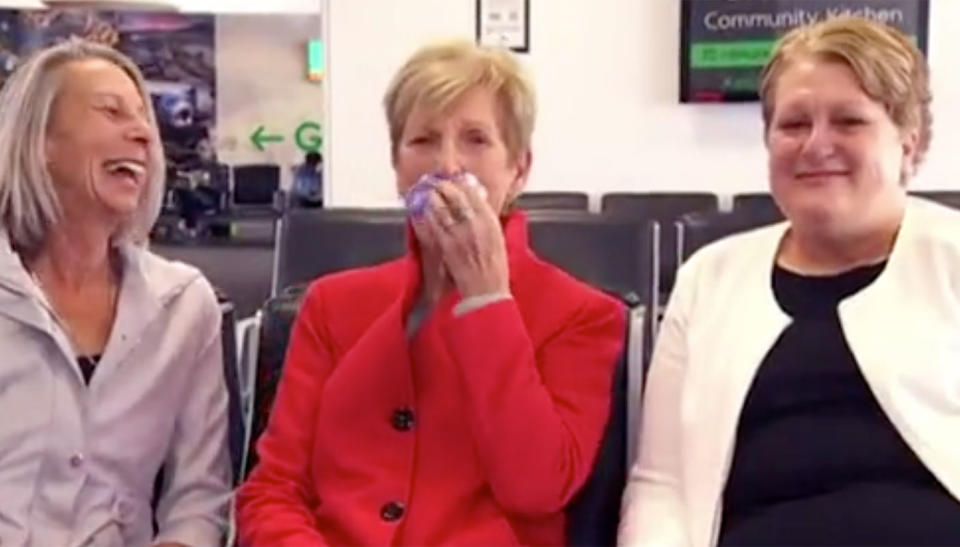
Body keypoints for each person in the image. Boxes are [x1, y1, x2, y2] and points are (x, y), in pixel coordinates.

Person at [236, 40, 625, 545]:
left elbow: (537, 488)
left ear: (519, 169)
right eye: (422, 140)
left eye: (476, 140)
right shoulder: (331, 306)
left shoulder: (583, 317)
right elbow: (272, 490)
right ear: (397, 165)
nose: (447, 165)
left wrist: (487, 300)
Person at [619, 16, 960, 546]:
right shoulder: (709, 279)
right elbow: (661, 487)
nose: (815, 144)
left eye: (849, 121)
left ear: (908, 144)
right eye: (794, 124)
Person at [0, 39, 231, 545]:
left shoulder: (185, 305)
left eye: (145, 118)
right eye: (111, 111)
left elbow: (198, 497)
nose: (143, 133)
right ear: (40, 141)